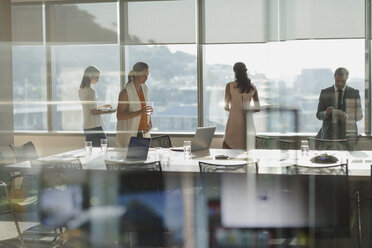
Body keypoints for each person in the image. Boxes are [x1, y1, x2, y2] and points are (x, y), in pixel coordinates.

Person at [316, 67, 363, 139]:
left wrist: (346, 117)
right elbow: (318, 114)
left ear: (347, 78)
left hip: (348, 136)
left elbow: (359, 115)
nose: (340, 83)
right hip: (328, 135)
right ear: (334, 76)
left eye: (343, 81)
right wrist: (326, 113)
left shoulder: (354, 93)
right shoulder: (325, 92)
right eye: (337, 80)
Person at [223, 62, 260, 149]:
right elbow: (257, 108)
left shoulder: (230, 86)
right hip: (248, 123)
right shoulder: (252, 87)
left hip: (234, 122)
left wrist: (234, 110)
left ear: (235, 72)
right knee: (247, 152)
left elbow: (226, 106)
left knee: (227, 148)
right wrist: (247, 110)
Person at [116, 62, 153, 147]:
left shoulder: (145, 88)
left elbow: (144, 108)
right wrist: (140, 112)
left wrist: (149, 121)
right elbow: (119, 115)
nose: (146, 78)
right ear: (135, 74)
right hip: (131, 135)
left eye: (147, 75)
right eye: (144, 75)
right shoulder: (125, 92)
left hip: (143, 134)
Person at [79, 65, 116, 147]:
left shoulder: (81, 90)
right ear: (90, 76)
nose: (98, 80)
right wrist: (110, 111)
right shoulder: (91, 91)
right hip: (94, 126)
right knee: (104, 148)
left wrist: (103, 106)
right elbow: (94, 111)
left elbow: (90, 108)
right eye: (97, 77)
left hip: (87, 126)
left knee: (93, 151)